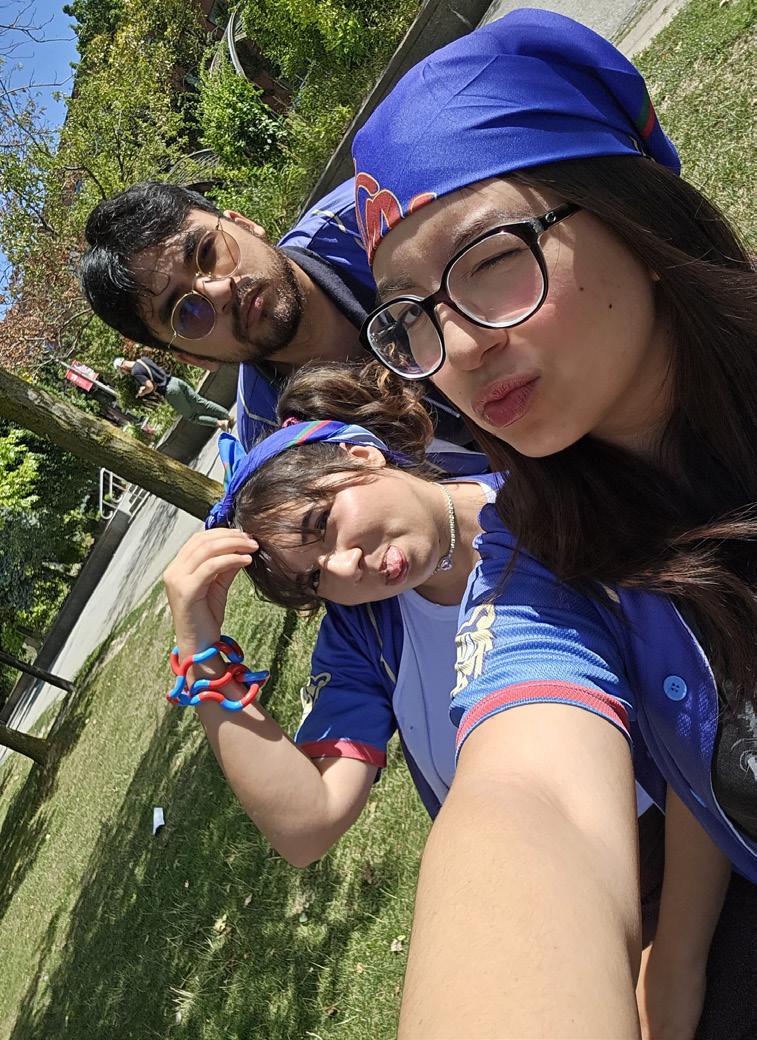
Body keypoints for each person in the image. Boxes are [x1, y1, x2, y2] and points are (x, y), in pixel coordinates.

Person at [350, 8, 757, 1039]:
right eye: (409, 318)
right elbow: (533, 800)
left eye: (488, 258)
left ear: (634, 220)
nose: (456, 350)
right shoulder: (540, 559)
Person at [162, 360, 502, 862]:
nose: (345, 569)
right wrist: (201, 655)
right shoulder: (365, 632)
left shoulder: (553, 491)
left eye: (322, 524)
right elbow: (309, 827)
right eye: (314, 579)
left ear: (363, 455)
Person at [81, 180, 481, 469]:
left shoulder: (380, 217)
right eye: (186, 313)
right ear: (193, 358)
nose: (218, 291)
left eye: (207, 253)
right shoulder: (279, 444)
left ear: (245, 224)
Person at [112, 355, 232, 430]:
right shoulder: (143, 359)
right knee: (201, 402)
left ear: (122, 367)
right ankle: (227, 416)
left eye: (123, 372)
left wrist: (142, 392)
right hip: (175, 381)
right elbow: (154, 375)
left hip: (171, 391)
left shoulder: (135, 372)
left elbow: (149, 386)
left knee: (192, 416)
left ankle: (221, 423)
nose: (125, 373)